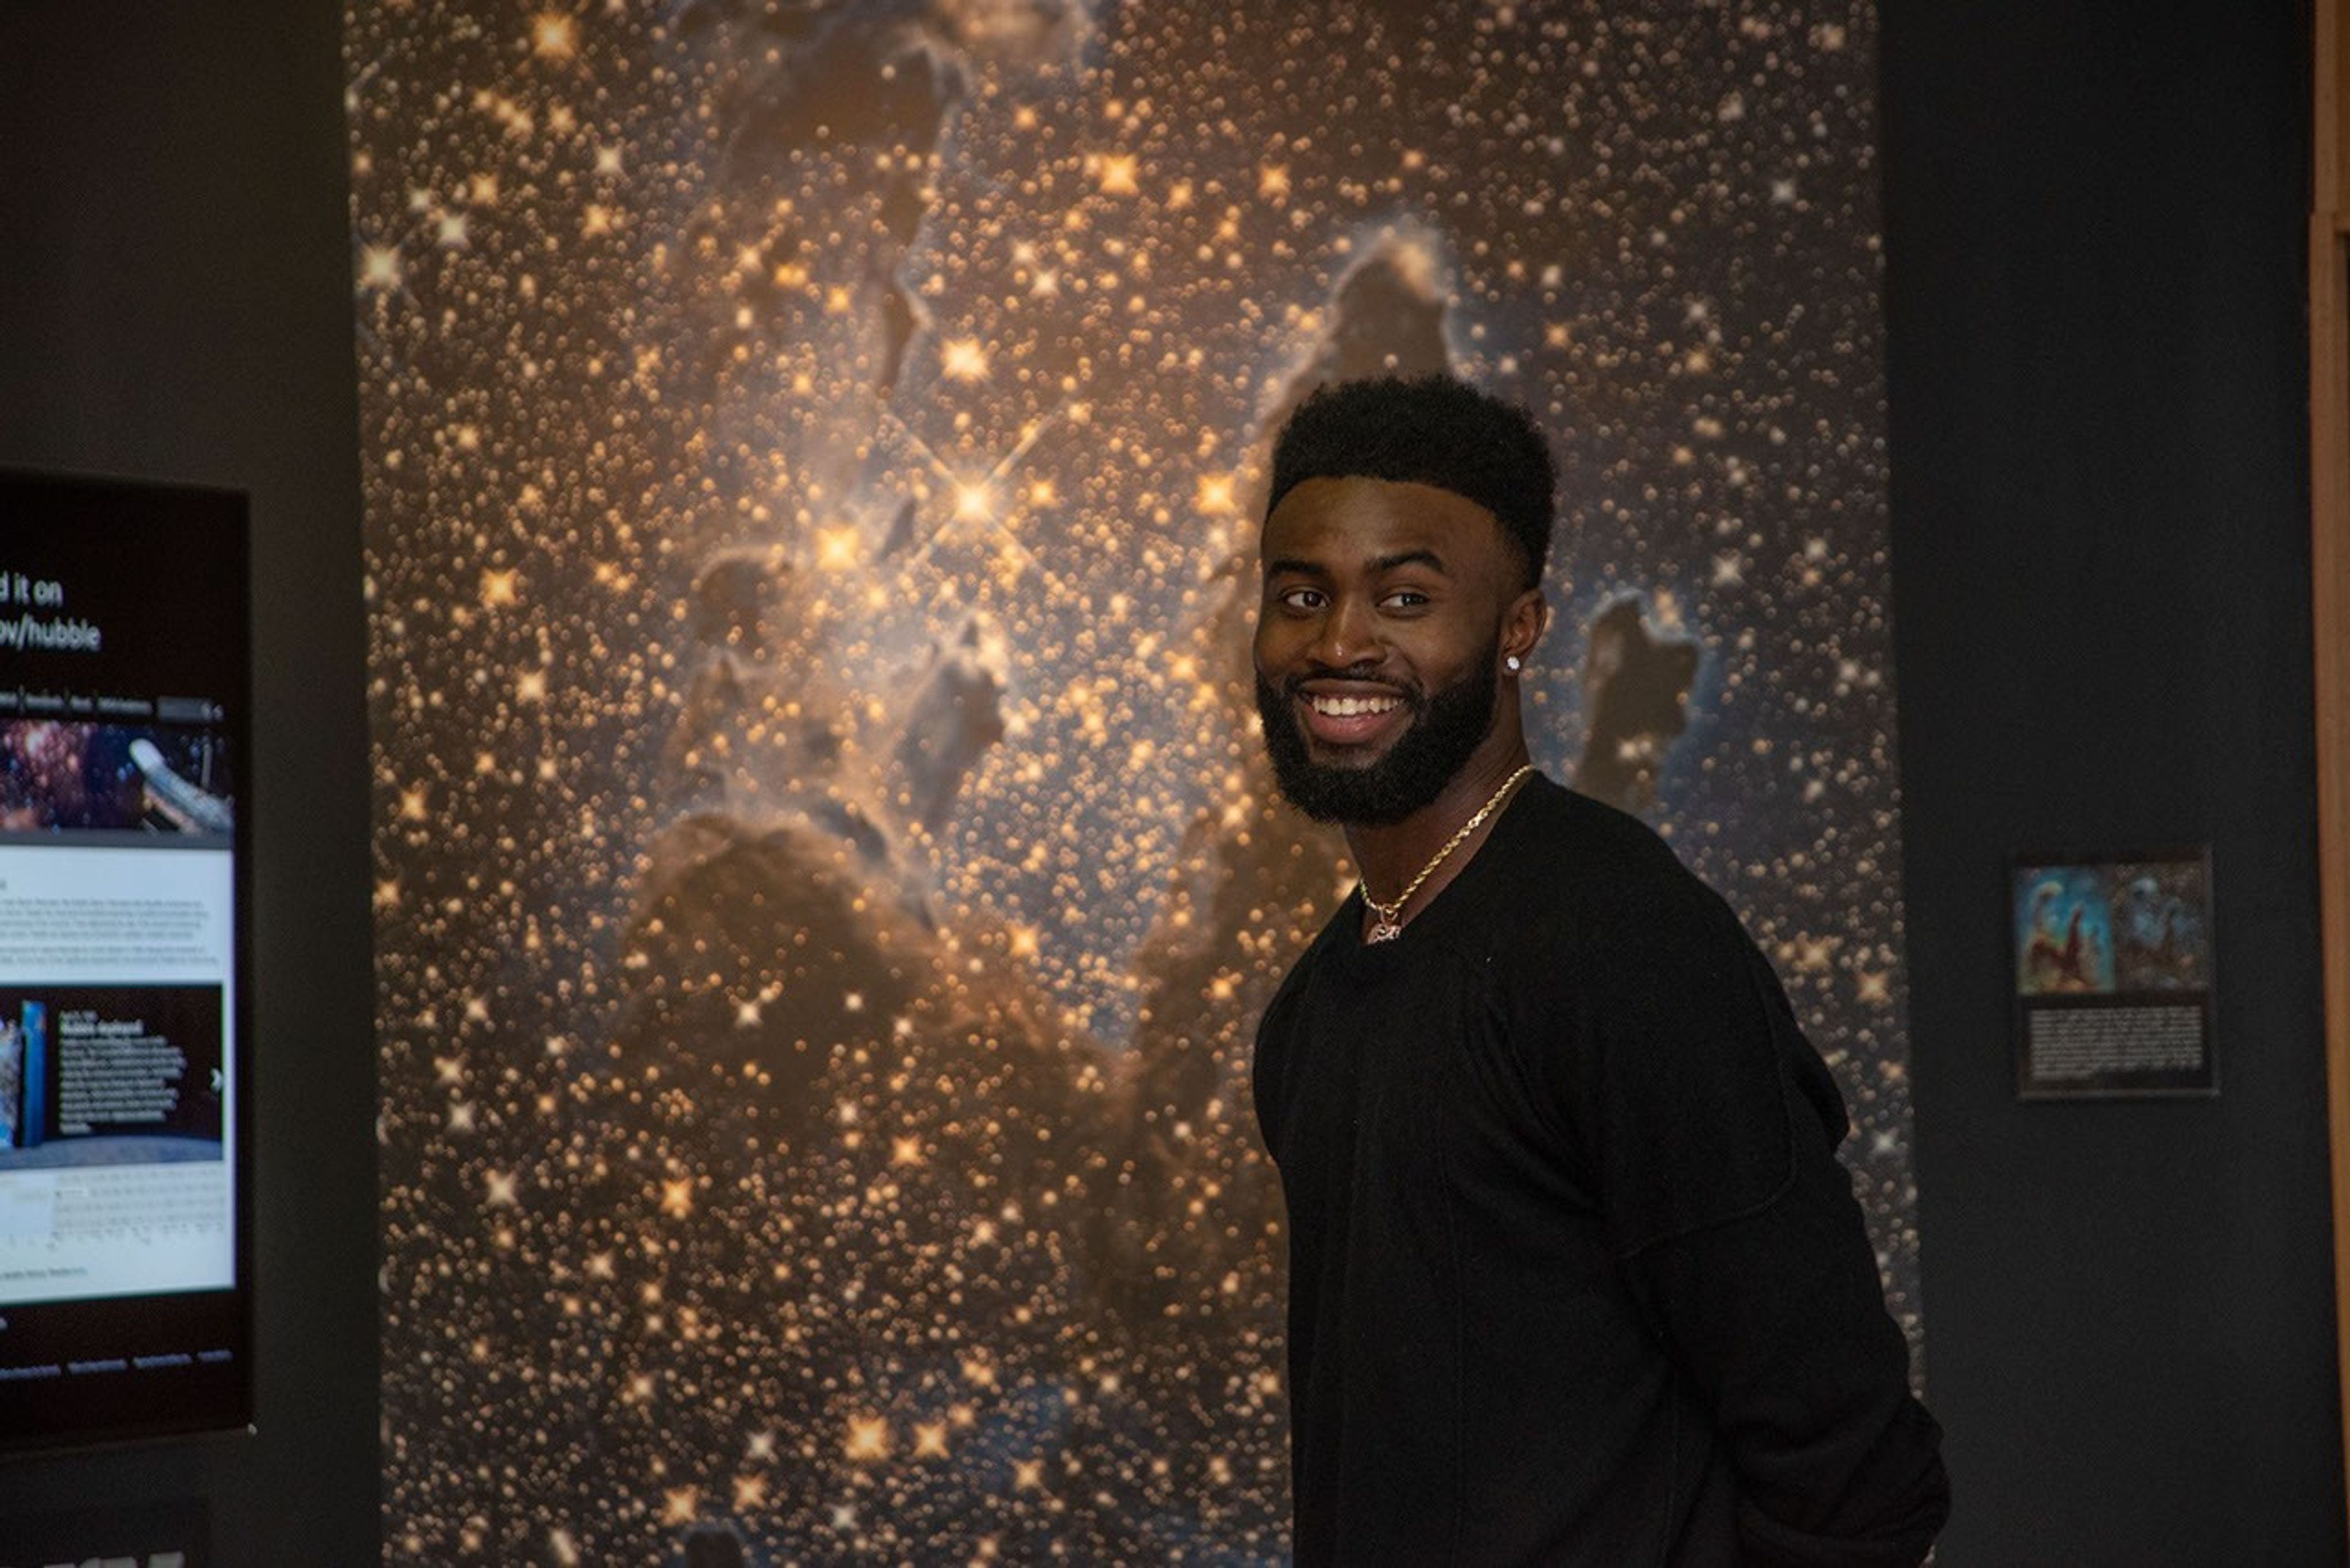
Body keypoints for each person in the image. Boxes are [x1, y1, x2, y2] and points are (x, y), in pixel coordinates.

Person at [1248, 375, 1949, 1566]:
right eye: (1300, 594)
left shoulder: (1615, 942)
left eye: (1405, 595)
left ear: (1519, 626)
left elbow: (1854, 1473)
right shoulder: (1314, 1002)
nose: (1339, 641)